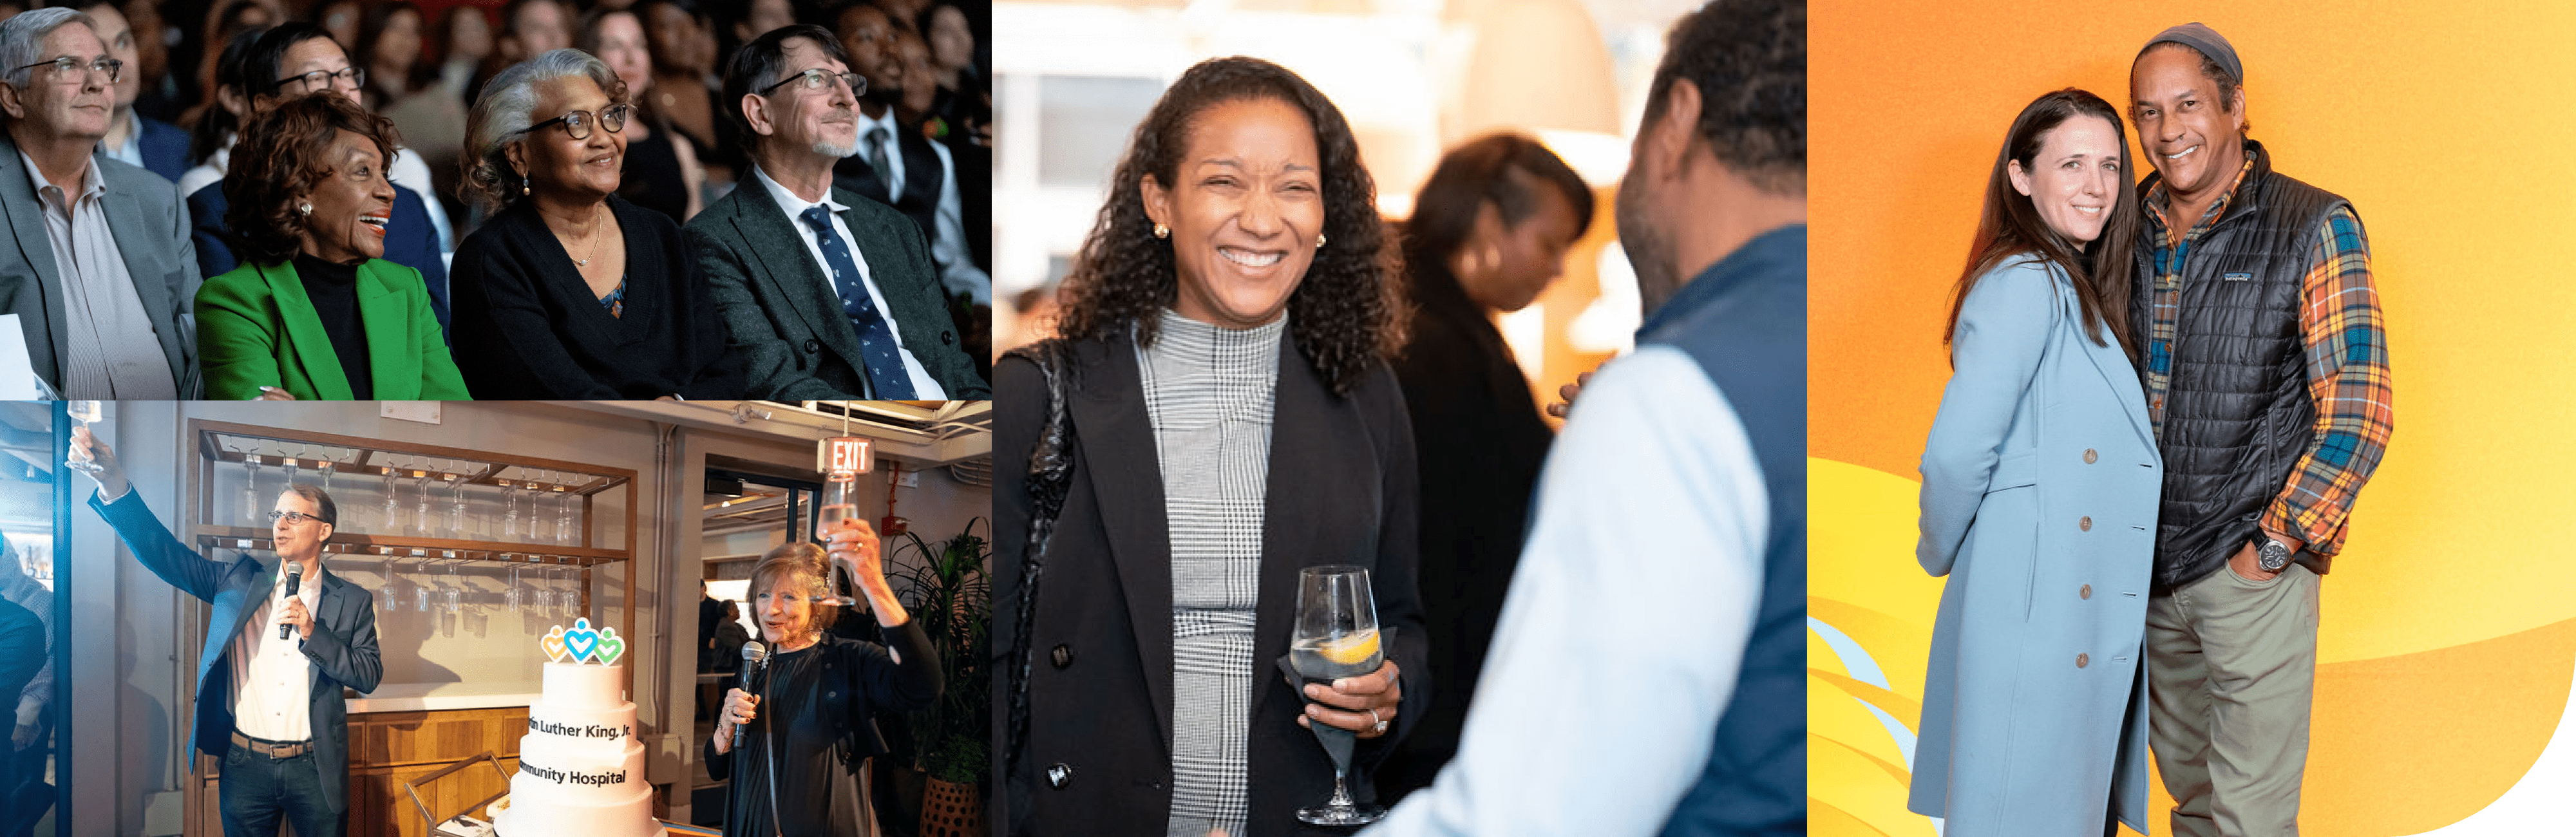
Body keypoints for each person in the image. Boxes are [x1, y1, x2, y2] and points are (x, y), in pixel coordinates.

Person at [1364, 1, 1803, 835]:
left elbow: (1534, 814)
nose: (1563, 268)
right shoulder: (1801, 351)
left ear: (1674, 122)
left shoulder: (1677, 399)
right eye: (1552, 241)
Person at [991, 55, 1427, 836]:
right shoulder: (1040, 395)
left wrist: (1389, 694)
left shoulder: (1365, 396)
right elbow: (987, 660)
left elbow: (1401, 617)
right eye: (1225, 181)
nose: (1263, 220)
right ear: (1160, 200)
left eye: (1295, 187)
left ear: (1326, 216)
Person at [2125, 24, 2392, 837]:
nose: (2168, 131)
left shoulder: (2313, 224)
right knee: (2195, 809)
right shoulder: (2121, 229)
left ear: (2235, 106)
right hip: (2149, 578)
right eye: (2147, 113)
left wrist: (2274, 548)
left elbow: (2362, 408)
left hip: (2250, 576)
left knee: (2249, 822)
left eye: (2188, 105)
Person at [1904, 89, 2159, 836]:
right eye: (2072, 162)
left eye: (2110, 165)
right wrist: (1942, 551)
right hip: (2035, 620)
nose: (2097, 186)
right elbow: (1956, 453)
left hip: (2058, 617)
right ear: (2020, 175)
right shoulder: (2023, 284)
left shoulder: (2070, 286)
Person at [1374, 133, 1590, 804]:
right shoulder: (1431, 344)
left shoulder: (1436, 325)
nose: (1555, 270)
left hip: (1413, 685)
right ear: (1491, 223)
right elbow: (1481, 516)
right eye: (1551, 244)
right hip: (1427, 695)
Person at [73, 428, 381, 837]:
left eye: (294, 516)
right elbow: (164, 555)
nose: (281, 525)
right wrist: (112, 482)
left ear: (323, 530)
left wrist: (312, 631)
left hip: (315, 765)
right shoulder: (238, 580)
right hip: (244, 763)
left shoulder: (353, 600)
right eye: (276, 516)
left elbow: (368, 675)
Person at [687, 24, 985, 400]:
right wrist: (912, 443)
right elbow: (773, 383)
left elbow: (957, 370)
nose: (848, 98)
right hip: (851, 446)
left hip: (950, 438)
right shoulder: (716, 241)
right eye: (818, 79)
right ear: (760, 114)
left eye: (848, 82)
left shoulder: (896, 229)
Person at [448, 48, 746, 399]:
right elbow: (557, 398)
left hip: (689, 444)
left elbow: (725, 370)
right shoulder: (491, 261)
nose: (604, 138)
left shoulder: (664, 236)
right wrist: (655, 421)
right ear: (519, 154)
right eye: (576, 123)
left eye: (609, 116)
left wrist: (680, 409)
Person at [195, 93, 468, 400]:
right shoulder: (235, 301)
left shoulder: (406, 288)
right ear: (299, 192)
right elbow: (265, 440)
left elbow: (453, 420)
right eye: (363, 171)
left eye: (384, 174)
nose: (388, 192)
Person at [182, 23, 453, 332]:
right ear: (266, 106)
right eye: (316, 78)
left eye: (347, 74)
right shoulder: (220, 211)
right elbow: (235, 334)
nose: (341, 90)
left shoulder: (406, 208)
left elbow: (437, 342)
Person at [0, 7, 197, 398]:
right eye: (68, 66)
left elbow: (202, 343)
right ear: (12, 96)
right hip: (38, 450)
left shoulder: (158, 199)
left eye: (104, 66)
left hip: (170, 442)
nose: (97, 84)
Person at [705, 530, 942, 836]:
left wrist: (873, 583)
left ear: (817, 604)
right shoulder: (753, 667)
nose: (771, 609)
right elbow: (716, 769)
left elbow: (922, 686)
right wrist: (723, 732)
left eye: (788, 596)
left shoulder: (847, 662)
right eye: (764, 595)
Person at [827, 2, 987, 307]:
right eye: (868, 39)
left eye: (892, 38)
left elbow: (953, 263)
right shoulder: (817, 151)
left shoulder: (935, 157)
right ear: (834, 60)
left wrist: (979, 307)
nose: (891, 52)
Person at [579, 5, 706, 223]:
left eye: (639, 45)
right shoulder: (579, 143)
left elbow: (693, 237)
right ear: (591, 59)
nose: (631, 58)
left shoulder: (678, 146)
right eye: (614, 46)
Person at [74, 0, 187, 182]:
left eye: (123, 43)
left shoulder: (180, 145)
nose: (116, 61)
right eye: (99, 50)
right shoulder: (63, 162)